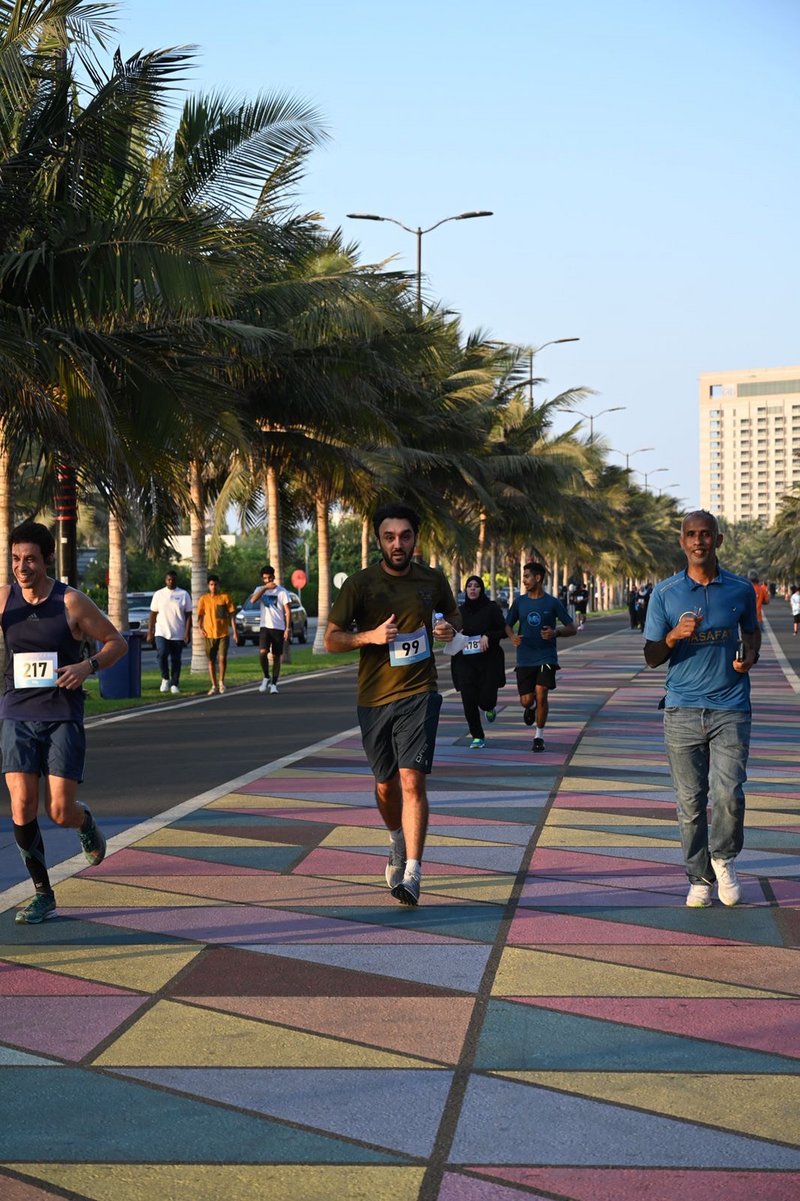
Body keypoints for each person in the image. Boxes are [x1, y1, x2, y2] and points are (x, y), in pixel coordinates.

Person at [324, 502, 460, 907]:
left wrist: (447, 627)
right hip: (373, 697)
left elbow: (453, 616)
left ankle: (414, 873)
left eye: (404, 536)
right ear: (379, 540)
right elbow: (332, 639)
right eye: (389, 537)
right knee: (385, 786)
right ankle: (396, 841)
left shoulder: (432, 580)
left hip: (420, 692)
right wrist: (370, 637)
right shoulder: (360, 585)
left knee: (412, 780)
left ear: (415, 539)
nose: (397, 544)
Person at [0, 521, 127, 924]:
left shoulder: (70, 602)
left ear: (47, 559)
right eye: (16, 559)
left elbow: (117, 643)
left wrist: (86, 666)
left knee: (58, 811)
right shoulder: (4, 600)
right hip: (17, 712)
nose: (22, 567)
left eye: (31, 560)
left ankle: (83, 820)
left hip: (61, 716)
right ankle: (43, 893)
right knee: (21, 804)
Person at [644, 510, 760, 909]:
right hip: (681, 710)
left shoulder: (741, 590)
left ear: (718, 540)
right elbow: (651, 656)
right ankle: (698, 878)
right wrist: (674, 636)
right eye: (691, 535)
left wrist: (750, 657)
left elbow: (752, 633)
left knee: (729, 794)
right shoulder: (665, 593)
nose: (699, 541)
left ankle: (723, 859)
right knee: (690, 803)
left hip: (731, 706)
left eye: (706, 535)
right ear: (682, 542)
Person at [505, 562, 576, 753]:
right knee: (527, 700)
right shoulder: (520, 602)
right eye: (524, 576)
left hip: (546, 657)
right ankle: (531, 707)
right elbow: (508, 625)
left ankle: (539, 736)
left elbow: (572, 628)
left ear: (538, 578)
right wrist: (512, 637)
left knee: (542, 691)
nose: (524, 580)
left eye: (527, 576)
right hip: (525, 658)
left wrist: (555, 633)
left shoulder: (552, 602)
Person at [450, 575, 506, 748]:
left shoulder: (491, 608)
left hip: (488, 662)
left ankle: (489, 707)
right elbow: (451, 633)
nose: (472, 589)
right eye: (469, 586)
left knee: (486, 700)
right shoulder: (459, 612)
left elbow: (503, 630)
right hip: (464, 662)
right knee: (468, 700)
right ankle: (477, 736)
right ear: (465, 590)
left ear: (482, 589)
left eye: (476, 586)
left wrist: (488, 635)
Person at [147, 569, 192, 694]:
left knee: (176, 659)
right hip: (161, 631)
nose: (171, 581)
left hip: (178, 633)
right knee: (162, 654)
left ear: (176, 580)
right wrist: (150, 631)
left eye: (173, 579)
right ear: (165, 580)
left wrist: (187, 632)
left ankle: (174, 683)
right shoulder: (159, 594)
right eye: (168, 579)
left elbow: (188, 615)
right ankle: (165, 678)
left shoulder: (183, 594)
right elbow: (153, 614)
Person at [249, 565, 291, 694]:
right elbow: (253, 600)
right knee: (263, 652)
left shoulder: (282, 591)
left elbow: (287, 611)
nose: (267, 580)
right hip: (265, 626)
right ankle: (266, 676)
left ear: (273, 576)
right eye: (265, 578)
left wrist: (287, 628)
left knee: (276, 656)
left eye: (269, 577)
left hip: (278, 627)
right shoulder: (260, 589)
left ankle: (274, 684)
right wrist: (265, 588)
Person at [196, 574, 236, 694]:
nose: (214, 587)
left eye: (216, 584)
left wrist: (235, 632)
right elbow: (199, 616)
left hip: (223, 633)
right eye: (211, 585)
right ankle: (213, 685)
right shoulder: (204, 599)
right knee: (211, 660)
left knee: (222, 658)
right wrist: (200, 628)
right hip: (209, 634)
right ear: (208, 586)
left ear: (219, 585)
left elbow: (232, 615)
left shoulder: (224, 598)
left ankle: (221, 682)